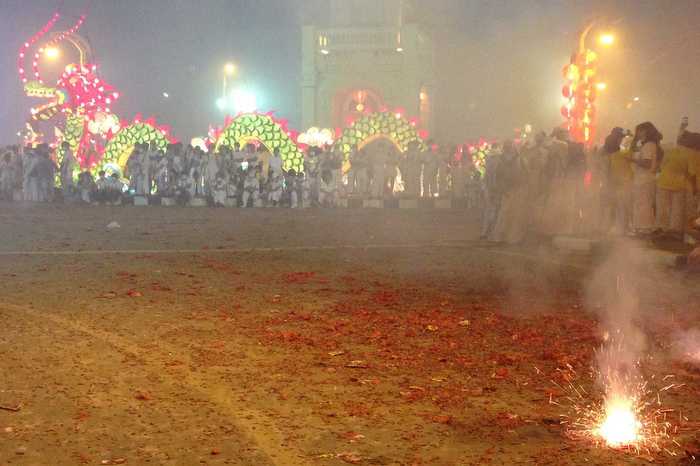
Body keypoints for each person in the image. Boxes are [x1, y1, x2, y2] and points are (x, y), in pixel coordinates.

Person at [630, 122, 663, 236]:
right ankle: (641, 229)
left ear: (646, 131)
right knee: (641, 204)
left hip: (645, 179)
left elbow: (647, 163)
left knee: (644, 204)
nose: (637, 133)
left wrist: (631, 160)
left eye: (639, 131)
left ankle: (645, 229)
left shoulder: (649, 145)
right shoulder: (647, 144)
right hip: (642, 179)